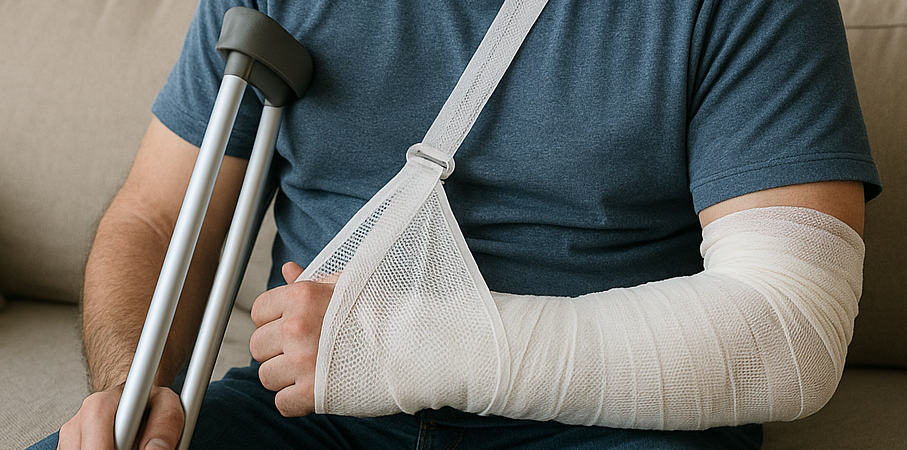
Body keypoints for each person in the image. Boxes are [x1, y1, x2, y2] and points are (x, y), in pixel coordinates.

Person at [33, 0, 881, 449]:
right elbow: (156, 214)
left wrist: (408, 344)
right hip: (307, 413)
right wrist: (129, 386)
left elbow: (785, 330)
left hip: (616, 429)